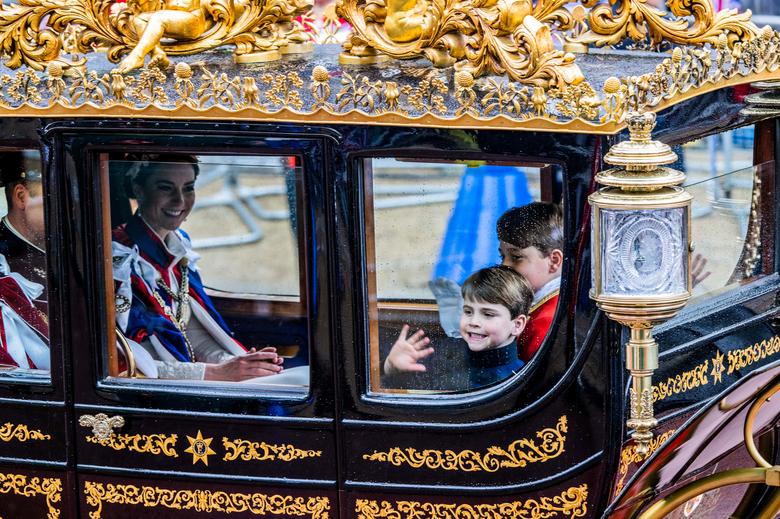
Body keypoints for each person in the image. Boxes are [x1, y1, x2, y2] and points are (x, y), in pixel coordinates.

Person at [111, 154, 284, 381]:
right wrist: (217, 373)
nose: (180, 201)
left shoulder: (179, 244)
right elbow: (127, 365)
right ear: (139, 189)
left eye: (188, 188)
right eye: (166, 188)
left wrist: (238, 363)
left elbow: (191, 333)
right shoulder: (118, 259)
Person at [384, 265, 531, 390]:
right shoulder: (443, 352)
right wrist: (391, 367)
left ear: (517, 325)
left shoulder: (520, 379)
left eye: (487, 314)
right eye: (468, 311)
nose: (473, 321)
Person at [496, 202, 563, 362]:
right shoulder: (539, 307)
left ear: (554, 261)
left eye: (516, 257)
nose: (504, 266)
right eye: (502, 256)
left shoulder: (546, 322)